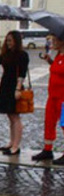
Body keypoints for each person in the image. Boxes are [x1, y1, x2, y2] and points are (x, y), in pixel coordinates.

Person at [0, 30, 30, 156]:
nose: (8, 43)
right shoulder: (7, 54)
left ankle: (16, 146)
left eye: (10, 40)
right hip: (5, 86)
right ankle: (11, 142)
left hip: (14, 87)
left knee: (15, 117)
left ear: (16, 41)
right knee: (10, 117)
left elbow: (22, 73)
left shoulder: (22, 55)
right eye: (7, 40)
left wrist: (18, 88)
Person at [31, 34, 64, 164]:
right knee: (49, 122)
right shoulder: (58, 56)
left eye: (55, 40)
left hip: (63, 97)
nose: (52, 43)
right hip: (53, 96)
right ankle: (47, 149)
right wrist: (49, 60)